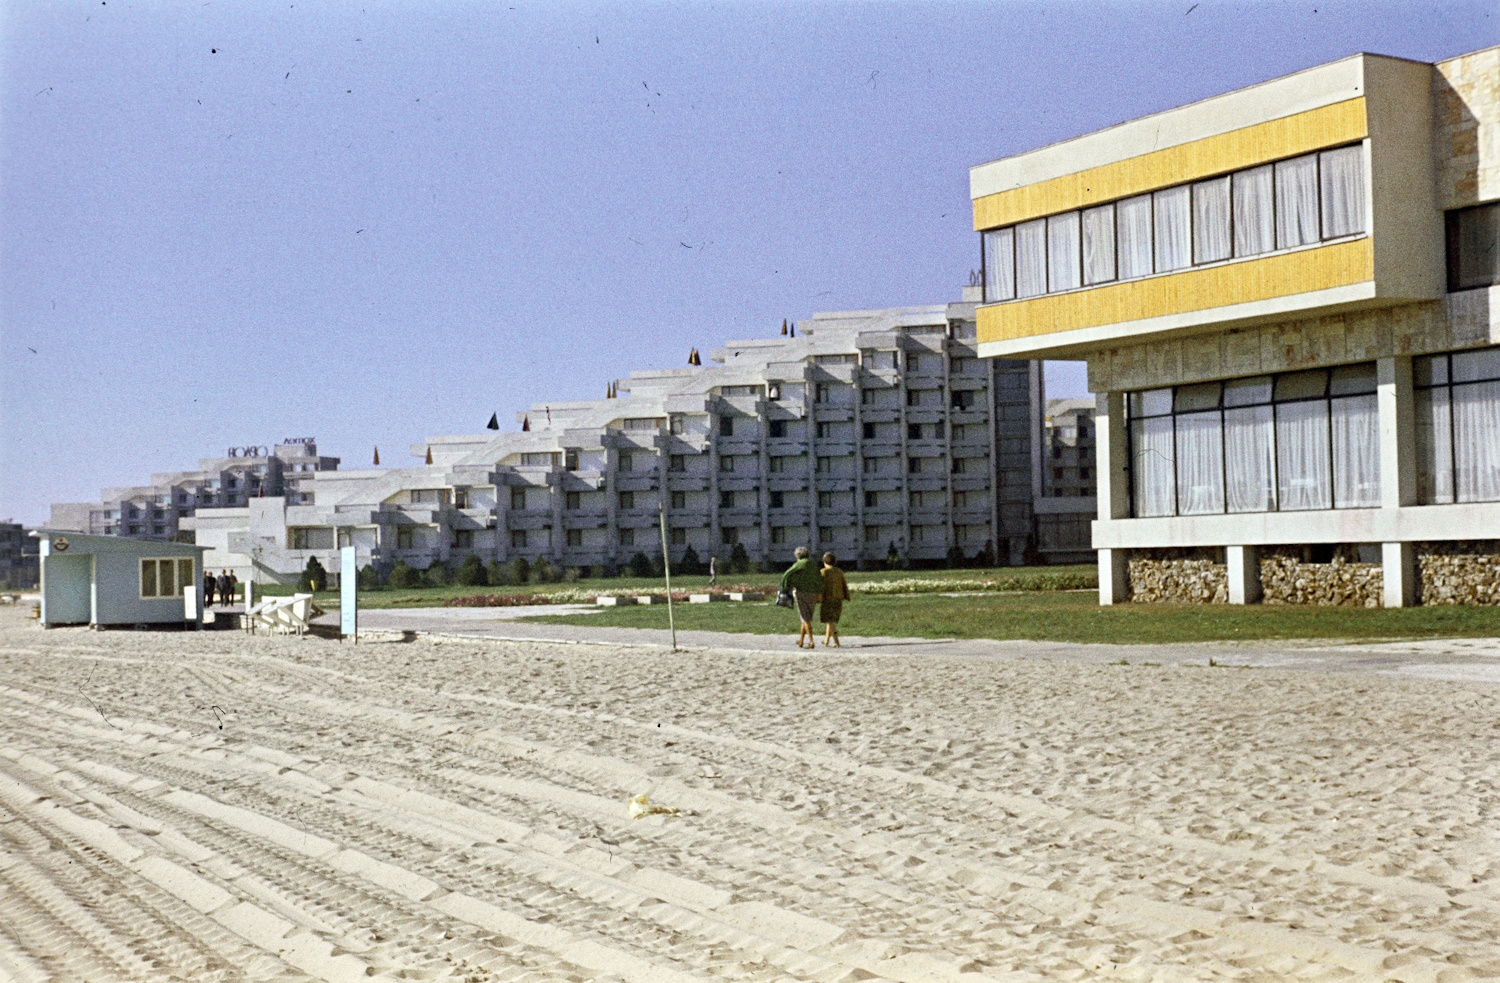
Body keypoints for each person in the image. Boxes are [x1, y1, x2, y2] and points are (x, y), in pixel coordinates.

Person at [779, 546, 823, 649]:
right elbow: (820, 579)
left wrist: (784, 589)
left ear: (797, 555)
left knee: (805, 618)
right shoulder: (813, 564)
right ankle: (801, 640)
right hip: (813, 593)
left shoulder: (799, 564)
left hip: (802, 593)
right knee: (806, 618)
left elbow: (787, 575)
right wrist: (820, 593)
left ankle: (811, 642)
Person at [818, 552, 851, 647]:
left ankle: (836, 641)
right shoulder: (839, 572)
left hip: (828, 599)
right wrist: (846, 596)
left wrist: (818, 597)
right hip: (838, 598)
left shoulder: (823, 572)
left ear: (824, 561)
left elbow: (820, 586)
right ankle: (826, 640)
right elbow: (844, 584)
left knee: (830, 621)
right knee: (831, 620)